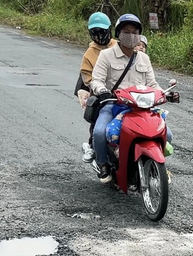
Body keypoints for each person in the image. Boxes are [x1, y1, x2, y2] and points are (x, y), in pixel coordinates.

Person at [90, 14, 179, 183]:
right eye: (126, 31)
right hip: (114, 105)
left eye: (134, 32)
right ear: (118, 33)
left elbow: (152, 84)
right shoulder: (106, 55)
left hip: (141, 108)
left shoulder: (144, 58)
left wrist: (165, 94)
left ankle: (156, 165)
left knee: (166, 135)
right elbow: (97, 80)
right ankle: (103, 164)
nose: (131, 36)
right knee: (100, 132)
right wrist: (102, 90)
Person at [74, 12, 116, 163]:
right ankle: (96, 151)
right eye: (95, 32)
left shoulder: (118, 47)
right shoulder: (89, 54)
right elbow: (86, 76)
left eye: (102, 32)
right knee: (97, 120)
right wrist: (99, 89)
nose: (99, 36)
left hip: (122, 92)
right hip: (101, 94)